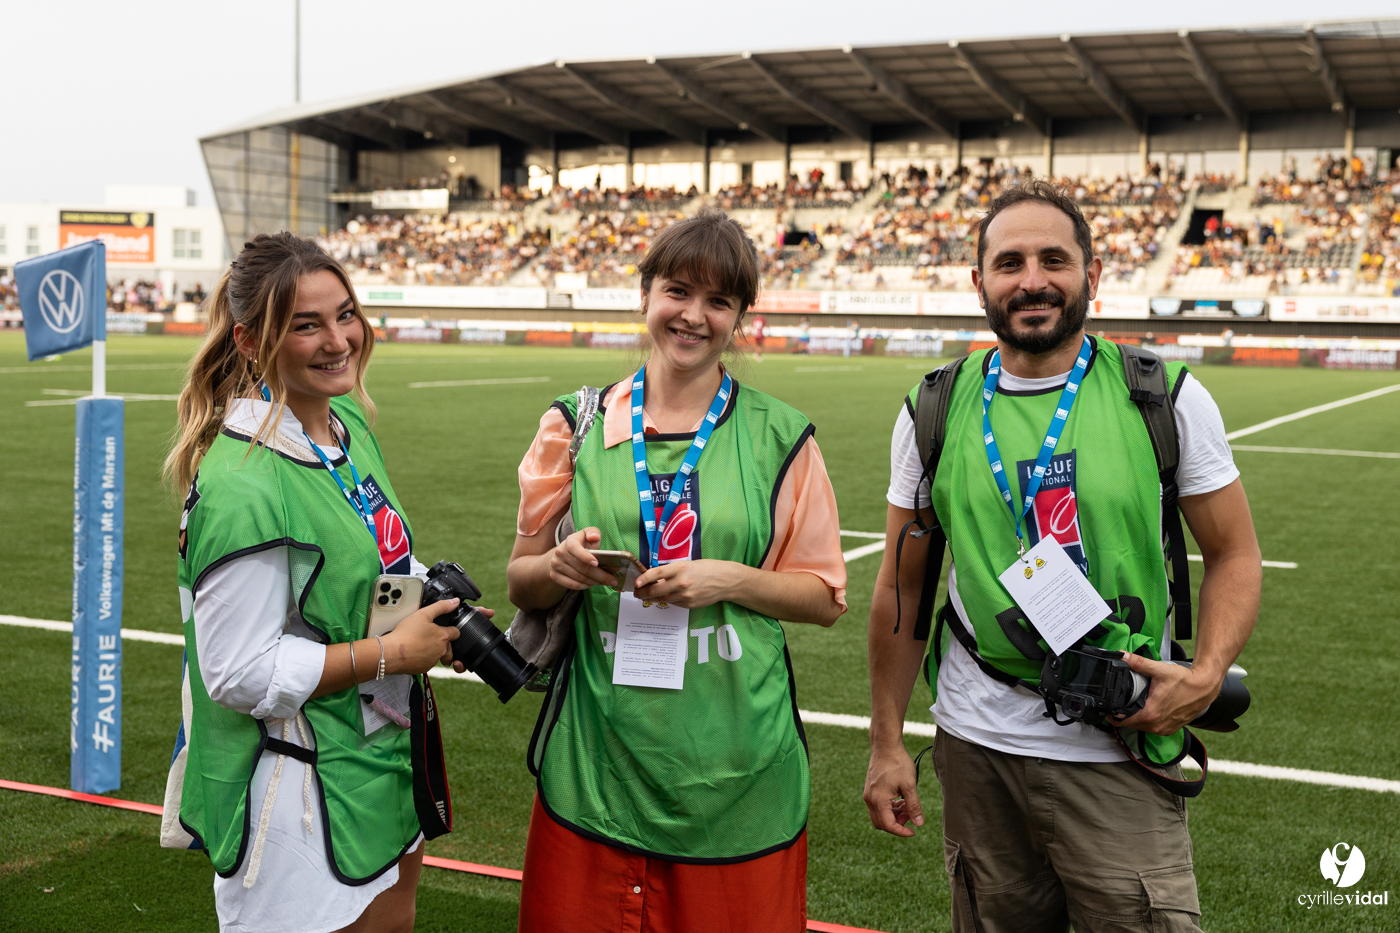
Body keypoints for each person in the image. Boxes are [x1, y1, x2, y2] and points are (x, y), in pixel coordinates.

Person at [863, 181, 1261, 933]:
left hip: (1121, 740)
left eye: (1055, 259)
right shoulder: (933, 409)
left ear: (1092, 274)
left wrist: (1205, 676)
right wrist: (887, 742)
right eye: (1009, 262)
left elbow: (1234, 551)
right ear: (977, 280)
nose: (1033, 280)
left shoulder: (1163, 397)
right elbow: (901, 589)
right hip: (977, 745)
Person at [508, 209, 847, 933]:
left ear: (740, 317)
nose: (693, 316)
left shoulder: (781, 436)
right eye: (678, 291)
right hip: (595, 763)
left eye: (718, 301)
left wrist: (729, 580)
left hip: (737, 767)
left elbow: (824, 598)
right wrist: (559, 565)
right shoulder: (575, 425)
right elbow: (519, 581)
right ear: (646, 295)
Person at [163, 232, 483, 933]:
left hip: (380, 754)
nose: (339, 339)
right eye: (306, 324)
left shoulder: (345, 430)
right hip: (296, 788)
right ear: (250, 342)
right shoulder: (242, 483)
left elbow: (377, 566)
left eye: (344, 314)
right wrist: (392, 654)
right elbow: (238, 672)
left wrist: (429, 600)